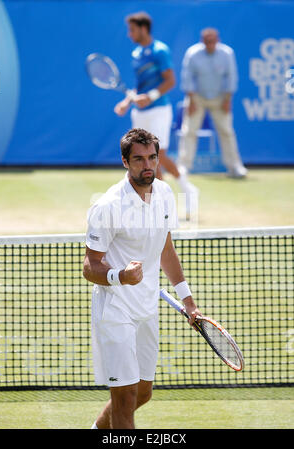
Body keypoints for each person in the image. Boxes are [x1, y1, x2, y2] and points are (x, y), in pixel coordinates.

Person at [83, 128, 201, 429]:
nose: (147, 166)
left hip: (147, 308)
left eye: (152, 158)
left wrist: (187, 299)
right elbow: (90, 266)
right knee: (125, 400)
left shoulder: (164, 193)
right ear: (125, 161)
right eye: (138, 159)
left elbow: (166, 247)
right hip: (115, 308)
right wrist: (119, 275)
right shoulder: (107, 206)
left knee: (143, 393)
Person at [114, 11, 198, 220]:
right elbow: (139, 86)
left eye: (132, 30)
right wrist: (127, 101)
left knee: (157, 156)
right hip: (139, 112)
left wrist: (150, 97)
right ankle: (157, 207)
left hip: (159, 109)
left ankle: (185, 189)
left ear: (143, 29)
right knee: (148, 158)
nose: (129, 34)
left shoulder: (160, 50)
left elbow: (170, 81)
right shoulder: (136, 54)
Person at [177, 28, 248, 178]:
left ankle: (234, 166)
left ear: (218, 40)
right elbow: (187, 77)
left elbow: (231, 77)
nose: (210, 44)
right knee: (189, 131)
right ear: (202, 41)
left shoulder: (227, 53)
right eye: (207, 41)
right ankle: (183, 167)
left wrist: (228, 99)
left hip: (220, 98)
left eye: (213, 41)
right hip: (196, 97)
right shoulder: (193, 54)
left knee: (227, 132)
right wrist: (191, 100)